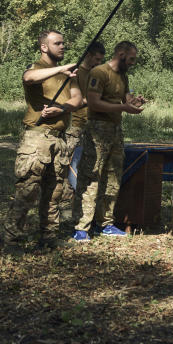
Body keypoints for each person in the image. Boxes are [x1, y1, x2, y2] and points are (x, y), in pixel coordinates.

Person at [1, 30, 81, 251]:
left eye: (64, 42)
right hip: (37, 138)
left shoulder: (67, 74)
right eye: (57, 43)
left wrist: (62, 108)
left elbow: (78, 99)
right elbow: (28, 77)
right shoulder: (37, 69)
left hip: (59, 139)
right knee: (28, 190)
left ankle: (48, 237)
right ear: (44, 47)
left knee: (54, 192)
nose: (63, 46)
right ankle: (10, 239)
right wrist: (61, 69)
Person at [74, 40, 144, 241]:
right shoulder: (99, 73)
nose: (132, 63)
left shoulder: (122, 76)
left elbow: (126, 100)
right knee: (91, 176)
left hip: (115, 131)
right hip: (97, 129)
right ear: (120, 54)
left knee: (113, 178)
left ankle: (105, 224)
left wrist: (135, 103)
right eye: (130, 59)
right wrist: (123, 108)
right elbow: (94, 104)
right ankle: (82, 227)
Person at [61, 40, 105, 224]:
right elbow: (73, 100)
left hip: (94, 128)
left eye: (101, 60)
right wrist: (92, 100)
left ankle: (83, 214)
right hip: (76, 127)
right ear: (88, 55)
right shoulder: (76, 73)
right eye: (96, 58)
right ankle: (65, 213)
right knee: (68, 171)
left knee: (89, 173)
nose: (98, 62)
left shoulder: (99, 74)